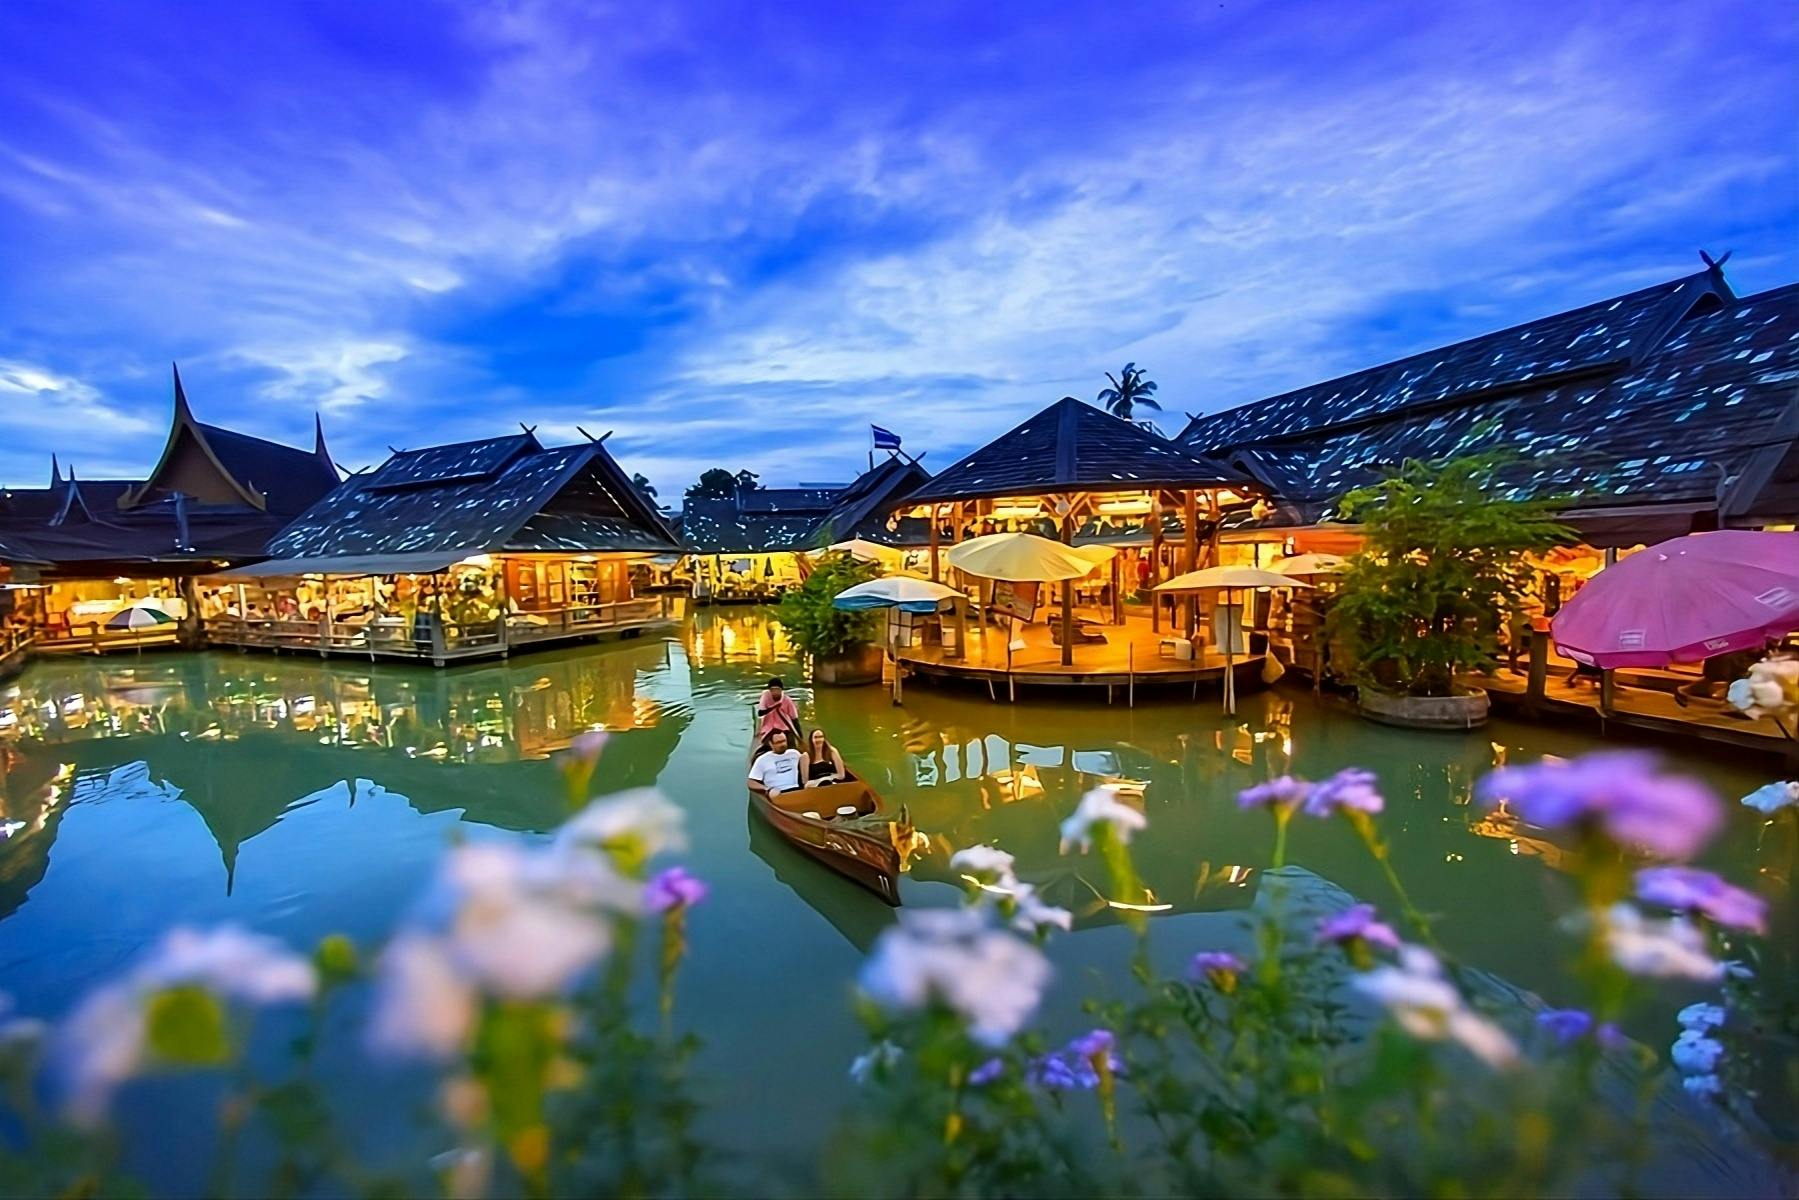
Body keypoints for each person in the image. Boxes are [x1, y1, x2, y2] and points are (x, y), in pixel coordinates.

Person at [748, 728, 805, 798]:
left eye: (784, 741)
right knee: (775, 795)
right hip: (776, 792)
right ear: (770, 744)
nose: (783, 744)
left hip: (797, 790)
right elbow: (751, 782)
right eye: (778, 742)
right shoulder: (762, 759)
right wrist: (767, 789)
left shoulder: (794, 753)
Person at [756, 677, 800, 743]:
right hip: (769, 729)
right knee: (765, 748)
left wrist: (800, 737)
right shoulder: (765, 696)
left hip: (784, 729)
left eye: (777, 689)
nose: (775, 692)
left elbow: (794, 719)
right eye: (772, 690)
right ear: (769, 690)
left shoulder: (787, 700)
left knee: (792, 747)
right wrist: (774, 707)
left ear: (781, 690)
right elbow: (760, 713)